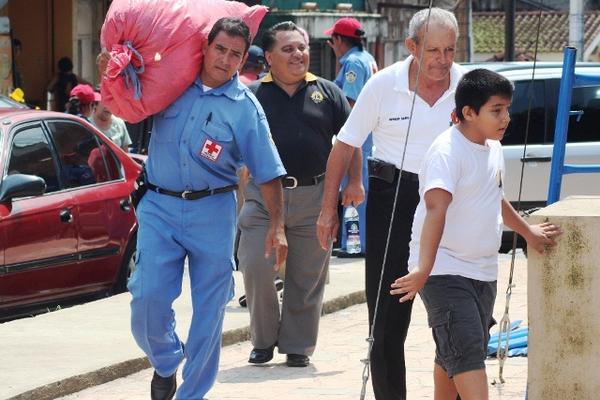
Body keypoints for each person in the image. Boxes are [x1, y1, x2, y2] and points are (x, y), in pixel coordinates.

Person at [99, 18, 288, 400]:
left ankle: (192, 394)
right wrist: (110, 70)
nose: (225, 60)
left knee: (209, 311)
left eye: (235, 54)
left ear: (243, 60)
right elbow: (126, 99)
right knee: (146, 300)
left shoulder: (245, 108)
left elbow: (268, 172)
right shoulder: (170, 82)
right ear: (204, 47)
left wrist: (278, 227)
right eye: (220, 49)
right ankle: (167, 359)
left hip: (213, 212)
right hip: (159, 207)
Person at [317, 8, 465, 400]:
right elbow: (344, 145)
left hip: (451, 201)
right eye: (433, 50)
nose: (443, 60)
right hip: (394, 198)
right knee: (387, 319)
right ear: (412, 46)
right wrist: (328, 210)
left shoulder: (467, 85)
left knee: (460, 313)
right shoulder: (383, 84)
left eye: (450, 50)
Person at [389, 68, 562, 399]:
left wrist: (527, 232)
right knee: (468, 355)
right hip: (444, 270)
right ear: (469, 112)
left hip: (482, 271)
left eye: (507, 108)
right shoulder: (446, 152)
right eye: (496, 110)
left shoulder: (492, 147)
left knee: (454, 350)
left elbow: (494, 196)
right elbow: (436, 210)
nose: (506, 117)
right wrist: (424, 269)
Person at [238, 21, 358, 368]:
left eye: (302, 48)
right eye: (288, 49)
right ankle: (263, 340)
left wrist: (354, 182)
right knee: (256, 265)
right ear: (269, 57)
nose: (298, 54)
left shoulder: (328, 92)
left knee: (306, 276)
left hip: (314, 197)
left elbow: (351, 140)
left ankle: (297, 345)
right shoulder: (251, 95)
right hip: (263, 198)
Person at [324, 17, 378, 257]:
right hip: (367, 137)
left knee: (352, 191)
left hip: (356, 140)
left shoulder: (354, 63)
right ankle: (358, 243)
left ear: (338, 40)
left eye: (332, 40)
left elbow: (349, 103)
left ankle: (355, 245)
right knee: (359, 192)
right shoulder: (367, 58)